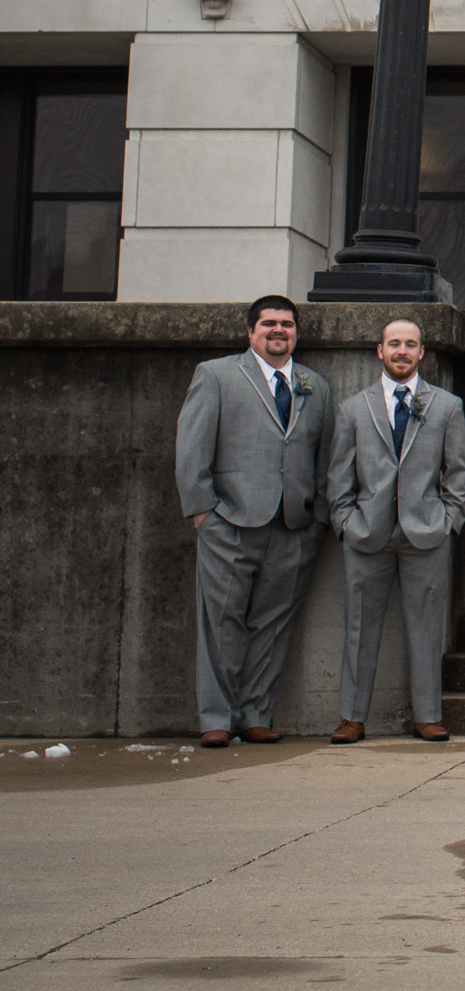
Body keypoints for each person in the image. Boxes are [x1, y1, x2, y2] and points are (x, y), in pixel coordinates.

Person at [174, 295, 335, 746]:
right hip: (230, 521)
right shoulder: (218, 375)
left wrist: (318, 518)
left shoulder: (315, 386)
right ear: (251, 332)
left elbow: (325, 459)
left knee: (273, 624)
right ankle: (216, 720)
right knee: (221, 622)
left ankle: (255, 715)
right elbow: (192, 448)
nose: (278, 330)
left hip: (294, 527)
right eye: (268, 324)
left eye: (286, 324)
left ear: (296, 333)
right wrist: (204, 512)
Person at [326, 315, 465, 744]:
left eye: (410, 344)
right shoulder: (354, 408)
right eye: (394, 344)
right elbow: (339, 477)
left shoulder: (446, 406)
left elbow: (459, 473)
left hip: (425, 534)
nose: (402, 352)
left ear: (422, 352)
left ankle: (427, 715)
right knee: (359, 628)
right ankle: (352, 717)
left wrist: (449, 521)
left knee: (426, 627)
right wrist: (347, 524)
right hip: (366, 535)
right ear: (380, 350)